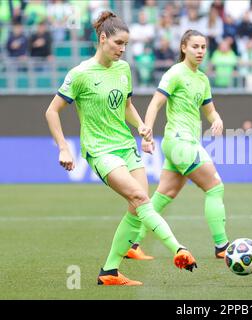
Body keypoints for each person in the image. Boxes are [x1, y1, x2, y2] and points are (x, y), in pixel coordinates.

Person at [45, 11, 197, 287]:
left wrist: (141, 126)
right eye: (118, 43)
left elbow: (125, 105)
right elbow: (52, 111)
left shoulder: (123, 69)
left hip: (126, 146)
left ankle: (109, 272)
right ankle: (178, 248)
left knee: (135, 206)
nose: (122, 49)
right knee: (140, 197)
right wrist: (64, 148)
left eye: (125, 44)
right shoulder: (79, 74)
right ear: (103, 39)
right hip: (100, 150)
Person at [133, 29, 230, 259]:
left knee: (163, 194)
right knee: (215, 187)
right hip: (180, 141)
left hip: (183, 143)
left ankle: (133, 243)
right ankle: (222, 246)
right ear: (183, 47)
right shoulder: (175, 73)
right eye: (195, 46)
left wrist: (216, 119)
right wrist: (146, 134)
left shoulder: (203, 79)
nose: (200, 51)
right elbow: (155, 103)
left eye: (203, 47)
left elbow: (210, 110)